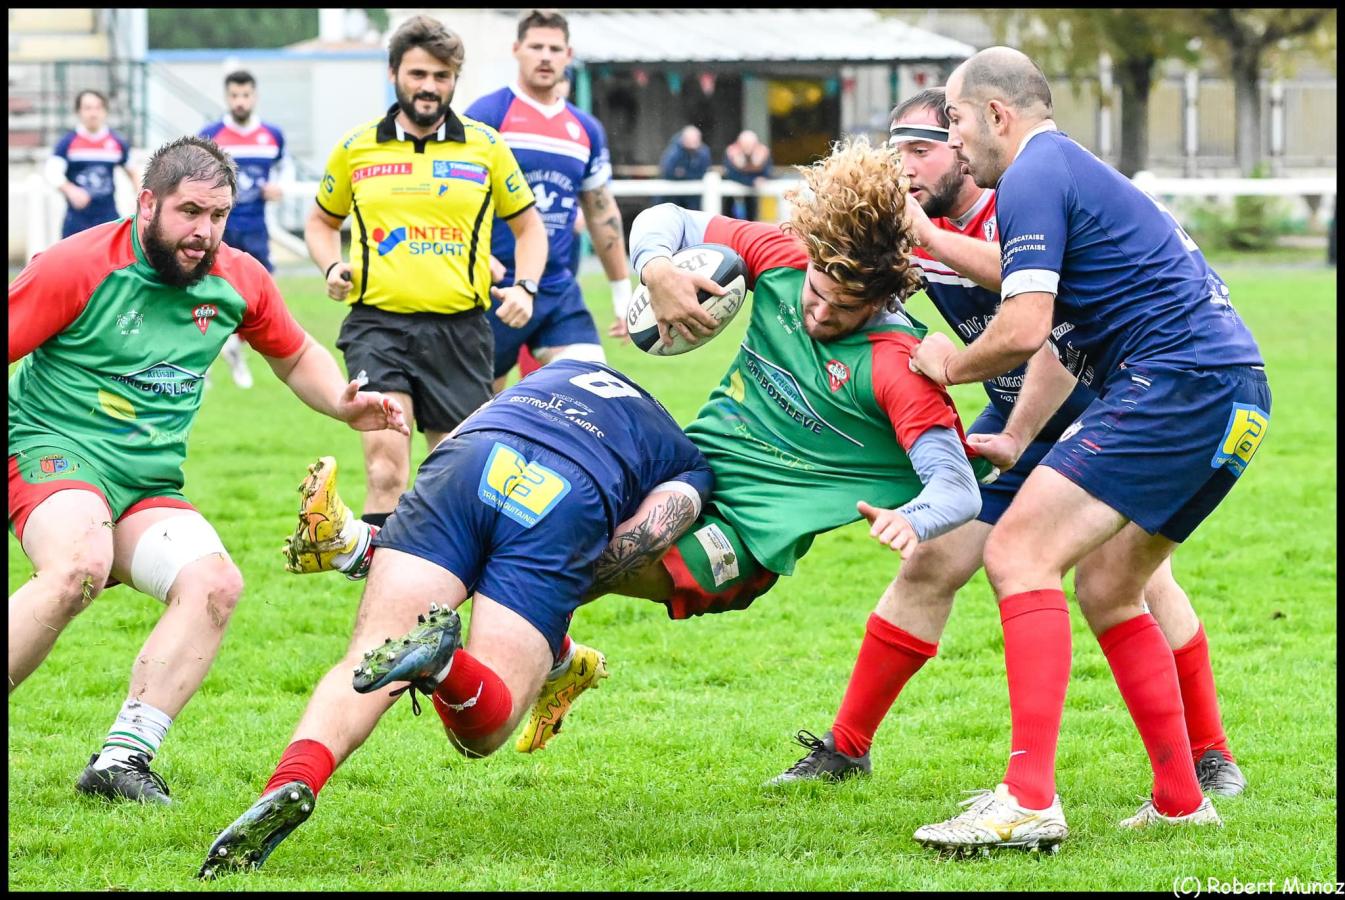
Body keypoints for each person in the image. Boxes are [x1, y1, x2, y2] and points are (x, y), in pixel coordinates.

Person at [287, 136, 1001, 756]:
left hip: (737, 542)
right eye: (817, 289)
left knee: (565, 552)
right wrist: (655, 269)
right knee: (537, 514)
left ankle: (358, 548)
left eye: (845, 307)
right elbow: (665, 218)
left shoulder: (897, 366)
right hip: (677, 467)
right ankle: (556, 660)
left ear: (884, 294)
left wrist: (914, 519)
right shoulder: (782, 258)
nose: (819, 311)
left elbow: (954, 486)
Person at [767, 89, 1248, 805]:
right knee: (932, 562)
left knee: (1136, 582)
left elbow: (1042, 329)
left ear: (968, 145)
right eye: (897, 151)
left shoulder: (1023, 203)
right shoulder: (913, 231)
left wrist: (1000, 405)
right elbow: (814, 266)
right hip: (1009, 431)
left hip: (1112, 412)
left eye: (925, 146)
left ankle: (1206, 757)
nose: (909, 167)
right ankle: (846, 747)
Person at [906, 47, 1270, 850]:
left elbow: (1022, 327)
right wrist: (1014, 435)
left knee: (1018, 552)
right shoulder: (1062, 171)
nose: (954, 141)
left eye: (957, 120)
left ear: (998, 115)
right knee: (1109, 585)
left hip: (1179, 383)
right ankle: (1181, 797)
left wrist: (948, 363)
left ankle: (1027, 798)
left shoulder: (1035, 172)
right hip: (1232, 391)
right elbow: (1059, 339)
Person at [7, 135, 408, 806]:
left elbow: (294, 351)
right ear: (147, 204)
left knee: (216, 582)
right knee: (79, 565)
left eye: (218, 215)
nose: (204, 232)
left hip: (145, 483)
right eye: (189, 212)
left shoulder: (238, 277)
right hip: (53, 450)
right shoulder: (77, 266)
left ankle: (121, 761)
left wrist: (344, 406)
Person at [197, 360, 714, 878]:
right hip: (567, 496)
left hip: (468, 460)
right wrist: (550, 595)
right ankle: (442, 664)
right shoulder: (689, 459)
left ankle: (293, 781)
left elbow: (456, 438)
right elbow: (642, 541)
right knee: (484, 731)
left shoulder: (558, 369)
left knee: (366, 654)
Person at [305, 15, 547, 536]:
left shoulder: (485, 147)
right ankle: (383, 608)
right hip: (378, 328)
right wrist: (330, 265)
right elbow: (322, 222)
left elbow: (530, 229)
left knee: (456, 478)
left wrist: (526, 287)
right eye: (418, 74)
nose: (429, 87)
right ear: (394, 73)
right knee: (385, 467)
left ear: (455, 80)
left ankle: (437, 602)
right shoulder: (356, 148)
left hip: (461, 332)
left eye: (441, 76)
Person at [466, 9, 633, 393]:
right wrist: (473, 257)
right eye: (535, 46)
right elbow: (454, 198)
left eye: (554, 48)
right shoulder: (487, 116)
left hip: (558, 288)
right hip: (492, 290)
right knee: (475, 421)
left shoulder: (585, 130)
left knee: (592, 393)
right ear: (516, 50)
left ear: (568, 55)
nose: (545, 56)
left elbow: (600, 211)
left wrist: (622, 293)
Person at [200, 70, 292, 389]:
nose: (240, 102)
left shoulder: (272, 136)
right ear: (227, 97)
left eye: (246, 95)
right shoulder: (211, 135)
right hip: (216, 230)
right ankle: (203, 359)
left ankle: (235, 349)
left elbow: (284, 166)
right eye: (235, 96)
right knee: (208, 291)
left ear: (254, 96)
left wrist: (279, 187)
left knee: (255, 294)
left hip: (256, 227)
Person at [45, 89, 137, 238]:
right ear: (78, 112)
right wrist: (70, 190)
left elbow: (133, 171)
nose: (93, 113)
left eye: (97, 108)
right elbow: (52, 172)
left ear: (105, 111)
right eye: (87, 108)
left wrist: (139, 199)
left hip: (108, 219)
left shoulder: (117, 142)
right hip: (77, 221)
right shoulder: (67, 143)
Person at [656, 125, 711, 209]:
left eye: (696, 139)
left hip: (693, 197)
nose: (694, 142)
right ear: (683, 139)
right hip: (672, 196)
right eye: (691, 139)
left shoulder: (703, 152)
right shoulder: (674, 151)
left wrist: (684, 174)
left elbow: (703, 172)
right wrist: (690, 175)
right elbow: (668, 171)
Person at [722, 130, 772, 221]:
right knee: (729, 214)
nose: (748, 147)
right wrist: (752, 181)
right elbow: (730, 174)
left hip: (753, 194)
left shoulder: (763, 152)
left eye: (751, 144)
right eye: (745, 144)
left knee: (752, 213)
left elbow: (767, 172)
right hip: (732, 191)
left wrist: (762, 178)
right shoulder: (731, 152)